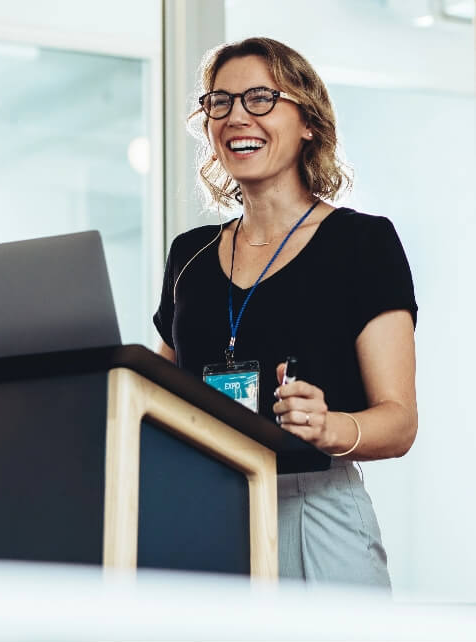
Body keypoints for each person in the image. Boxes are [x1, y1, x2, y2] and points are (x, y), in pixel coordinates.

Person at [153, 37, 417, 589]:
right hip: (205, 513)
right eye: (218, 102)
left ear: (308, 123)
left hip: (314, 512)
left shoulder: (361, 242)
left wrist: (327, 426)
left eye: (259, 98)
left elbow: (398, 422)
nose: (234, 117)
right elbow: (161, 400)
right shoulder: (190, 255)